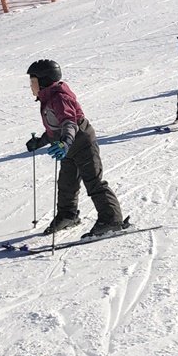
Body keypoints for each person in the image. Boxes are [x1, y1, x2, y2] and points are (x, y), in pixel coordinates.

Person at [24, 59, 125, 238]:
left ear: (44, 81)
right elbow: (55, 129)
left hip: (82, 142)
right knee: (66, 183)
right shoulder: (48, 98)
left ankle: (112, 220)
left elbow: (69, 123)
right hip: (68, 145)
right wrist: (39, 142)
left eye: (33, 81)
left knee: (93, 181)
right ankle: (67, 215)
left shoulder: (60, 98)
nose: (31, 86)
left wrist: (65, 143)